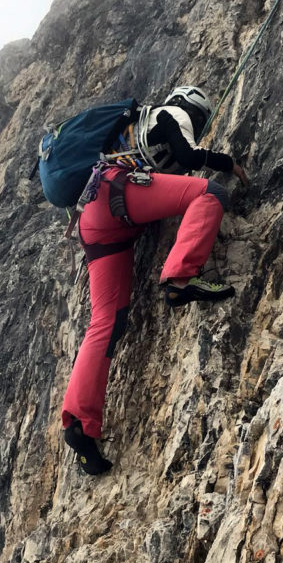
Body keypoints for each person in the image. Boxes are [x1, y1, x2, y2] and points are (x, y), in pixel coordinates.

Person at [62, 85, 248, 475]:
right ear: (192, 108)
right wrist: (227, 162)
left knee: (105, 322)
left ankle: (80, 426)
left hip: (92, 221)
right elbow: (188, 156)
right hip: (119, 194)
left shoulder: (129, 131)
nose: (196, 125)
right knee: (209, 194)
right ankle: (179, 279)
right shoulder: (170, 114)